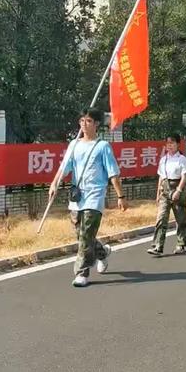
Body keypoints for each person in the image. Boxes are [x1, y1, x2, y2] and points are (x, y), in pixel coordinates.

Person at [49, 108, 128, 288]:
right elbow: (64, 168)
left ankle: (81, 273)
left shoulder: (102, 146)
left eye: (89, 121)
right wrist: (54, 184)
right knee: (82, 235)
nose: (84, 125)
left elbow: (113, 173)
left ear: (97, 124)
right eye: (82, 121)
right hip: (78, 196)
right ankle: (102, 253)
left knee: (86, 235)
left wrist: (121, 196)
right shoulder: (74, 145)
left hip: (95, 196)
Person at [147, 134, 186, 257]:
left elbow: (184, 176)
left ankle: (181, 243)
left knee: (181, 218)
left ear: (178, 144)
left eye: (172, 143)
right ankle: (158, 246)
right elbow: (161, 177)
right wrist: (158, 194)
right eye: (168, 143)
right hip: (165, 191)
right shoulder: (163, 159)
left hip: (176, 187)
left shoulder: (181, 159)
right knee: (161, 218)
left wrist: (178, 190)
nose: (170, 146)